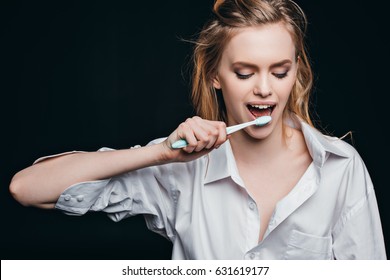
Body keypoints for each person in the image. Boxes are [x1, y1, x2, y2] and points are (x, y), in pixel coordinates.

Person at [9, 0, 386, 260]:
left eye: (280, 71)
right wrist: (159, 154)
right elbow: (26, 189)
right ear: (214, 76)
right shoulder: (180, 165)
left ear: (296, 72)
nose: (265, 88)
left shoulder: (341, 168)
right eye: (244, 72)